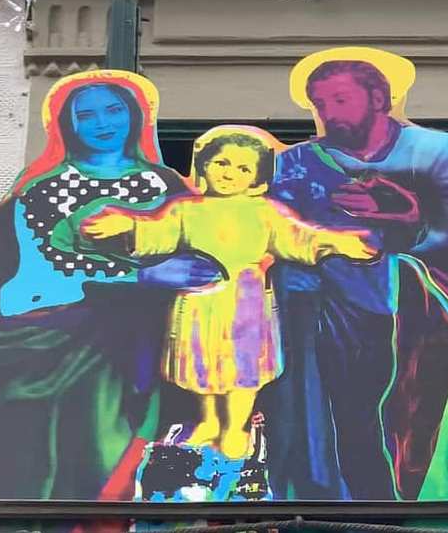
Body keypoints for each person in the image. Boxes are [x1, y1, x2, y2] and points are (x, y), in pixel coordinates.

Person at [266, 47, 448, 502]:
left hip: (441, 305)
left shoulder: (444, 153)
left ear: (380, 98)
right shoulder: (296, 163)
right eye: (320, 104)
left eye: (340, 100)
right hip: (328, 321)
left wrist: (411, 221)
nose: (329, 114)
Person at [0, 70, 223, 499]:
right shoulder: (43, 191)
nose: (103, 123)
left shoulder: (167, 185)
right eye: (86, 115)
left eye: (114, 110)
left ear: (135, 116)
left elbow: (205, 245)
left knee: (137, 451)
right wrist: (141, 276)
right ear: (66, 125)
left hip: (151, 341)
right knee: (82, 448)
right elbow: (38, 270)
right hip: (64, 343)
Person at [73, 126, 377, 459]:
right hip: (198, 304)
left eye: (243, 168)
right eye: (222, 163)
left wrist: (338, 242)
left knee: (243, 371)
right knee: (199, 366)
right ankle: (209, 421)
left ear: (257, 179)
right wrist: (128, 226)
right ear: (204, 166)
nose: (230, 173)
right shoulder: (186, 210)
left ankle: (235, 427)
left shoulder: (266, 212)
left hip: (246, 305)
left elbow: (300, 238)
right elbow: (159, 234)